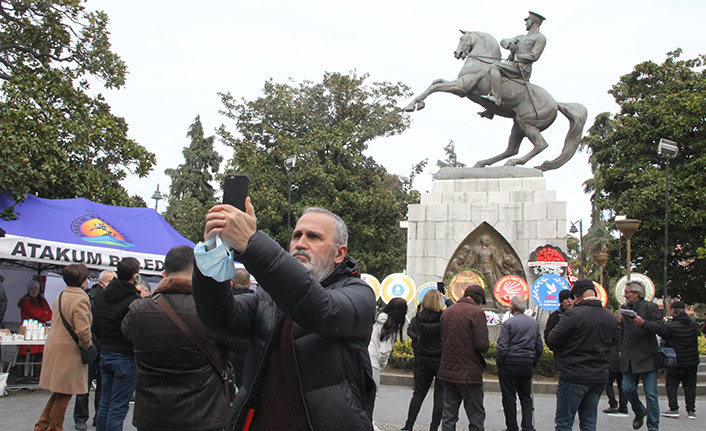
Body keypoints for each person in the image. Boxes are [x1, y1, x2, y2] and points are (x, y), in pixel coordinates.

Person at [192, 201, 377, 431]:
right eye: (296, 235)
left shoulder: (359, 294)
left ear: (339, 253)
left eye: (313, 237)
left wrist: (251, 242)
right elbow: (219, 319)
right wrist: (213, 254)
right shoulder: (268, 296)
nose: (300, 244)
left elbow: (320, 310)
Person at [122, 245, 231, 431]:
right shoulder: (212, 311)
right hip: (202, 415)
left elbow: (128, 336)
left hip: (152, 416)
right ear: (198, 270)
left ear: (165, 272)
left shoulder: (138, 310)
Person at [546, 279, 617, 431]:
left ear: (578, 297)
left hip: (574, 374)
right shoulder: (609, 316)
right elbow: (614, 345)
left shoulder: (573, 315)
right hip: (599, 375)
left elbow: (552, 340)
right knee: (589, 421)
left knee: (564, 423)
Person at [35, 264, 94, 431]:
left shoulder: (61, 294)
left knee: (59, 391)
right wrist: (87, 346)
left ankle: (42, 424)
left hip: (56, 345)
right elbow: (83, 330)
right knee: (65, 393)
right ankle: (54, 427)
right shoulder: (81, 298)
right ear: (83, 280)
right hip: (70, 350)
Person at [92, 257, 141, 431]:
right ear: (135, 275)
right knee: (118, 407)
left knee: (105, 402)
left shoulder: (102, 295)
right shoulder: (133, 300)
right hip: (124, 355)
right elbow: (134, 329)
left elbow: (95, 324)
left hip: (105, 351)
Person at [437, 284, 490, 431]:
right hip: (468, 371)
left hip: (447, 369)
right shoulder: (476, 313)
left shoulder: (447, 312)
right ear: (478, 299)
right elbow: (482, 345)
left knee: (448, 415)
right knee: (475, 415)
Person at [620, 280, 666, 431]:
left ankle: (653, 426)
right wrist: (621, 348)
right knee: (626, 389)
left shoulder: (650, 307)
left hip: (647, 356)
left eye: (627, 292)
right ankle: (639, 410)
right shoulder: (625, 309)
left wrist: (643, 323)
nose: (624, 295)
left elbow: (661, 328)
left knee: (651, 395)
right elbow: (622, 332)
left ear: (636, 294)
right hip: (629, 356)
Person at [74, 270, 116, 430]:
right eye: (111, 280)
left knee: (103, 385)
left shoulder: (113, 298)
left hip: (106, 346)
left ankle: (99, 416)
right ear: (101, 282)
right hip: (92, 345)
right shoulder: (90, 297)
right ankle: (80, 417)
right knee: (84, 384)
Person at [496, 295, 543, 431]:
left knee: (509, 397)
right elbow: (539, 346)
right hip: (526, 362)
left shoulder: (508, 324)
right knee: (526, 397)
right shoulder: (533, 323)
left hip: (510, 362)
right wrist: (533, 361)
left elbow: (502, 346)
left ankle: (512, 427)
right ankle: (528, 426)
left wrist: (500, 362)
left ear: (512, 307)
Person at [481, 11, 547, 107]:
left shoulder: (540, 38)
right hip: (513, 65)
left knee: (495, 67)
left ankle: (496, 97)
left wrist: (517, 56)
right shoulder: (521, 37)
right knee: (495, 77)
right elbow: (503, 41)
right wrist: (510, 44)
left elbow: (534, 56)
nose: (526, 22)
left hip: (522, 68)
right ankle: (490, 110)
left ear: (533, 22)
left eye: (528, 20)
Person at [402, 289, 446, 431]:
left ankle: (409, 425)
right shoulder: (444, 318)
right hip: (440, 359)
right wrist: (449, 299)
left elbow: (410, 331)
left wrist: (417, 338)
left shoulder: (418, 318)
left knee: (419, 393)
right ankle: (434, 427)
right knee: (440, 396)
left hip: (422, 359)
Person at [660, 301, 699, 420]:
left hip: (676, 360)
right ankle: (691, 410)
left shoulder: (670, 326)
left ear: (673, 311)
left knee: (672, 384)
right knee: (690, 386)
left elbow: (664, 339)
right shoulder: (693, 323)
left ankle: (673, 408)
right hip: (692, 360)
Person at [17, 280, 52, 381]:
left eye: (35, 288)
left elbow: (50, 313)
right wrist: (43, 314)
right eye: (31, 289)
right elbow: (35, 314)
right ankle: (20, 376)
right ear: (28, 290)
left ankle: (37, 376)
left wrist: (42, 316)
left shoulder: (43, 301)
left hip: (40, 331)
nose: (33, 291)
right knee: (23, 354)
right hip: (27, 330)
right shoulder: (25, 301)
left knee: (39, 354)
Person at [603, 310, 628, 417]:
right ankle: (623, 406)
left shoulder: (611, 329)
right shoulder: (626, 330)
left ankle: (613, 403)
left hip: (612, 358)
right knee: (621, 384)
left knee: (608, 382)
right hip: (623, 358)